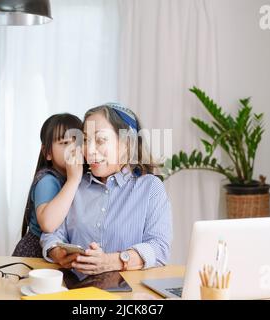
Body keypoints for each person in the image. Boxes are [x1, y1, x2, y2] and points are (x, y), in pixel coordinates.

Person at [41, 103, 172, 274]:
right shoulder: (75, 185)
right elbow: (51, 234)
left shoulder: (150, 188)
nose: (90, 150)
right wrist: (57, 252)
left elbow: (159, 247)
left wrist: (114, 261)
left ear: (127, 144)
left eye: (100, 140)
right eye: (86, 140)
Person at [12, 113, 84, 258]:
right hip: (36, 256)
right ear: (48, 153)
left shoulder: (84, 178)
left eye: (78, 142)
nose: (72, 149)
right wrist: (73, 180)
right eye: (64, 143)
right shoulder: (47, 180)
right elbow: (48, 225)